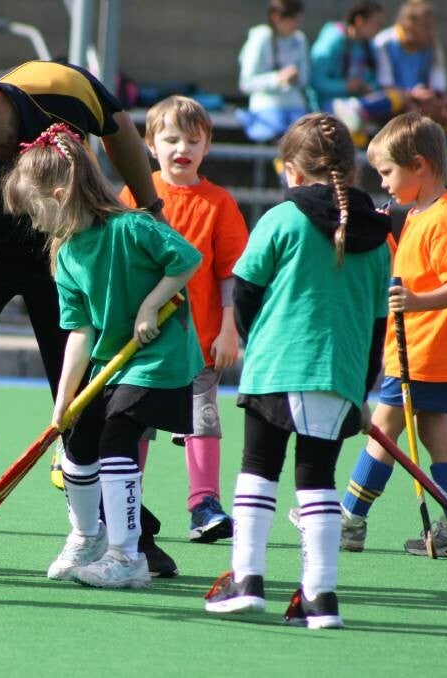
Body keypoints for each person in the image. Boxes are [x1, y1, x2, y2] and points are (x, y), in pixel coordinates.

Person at [0, 51, 181, 576]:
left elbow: (118, 128)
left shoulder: (57, 86)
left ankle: (121, 536)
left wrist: (149, 209)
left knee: (89, 379)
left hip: (68, 241)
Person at [203, 113, 391, 629]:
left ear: (292, 170)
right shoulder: (379, 238)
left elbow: (245, 289)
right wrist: (361, 389)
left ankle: (247, 580)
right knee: (318, 479)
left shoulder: (281, 218)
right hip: (340, 375)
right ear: (352, 170)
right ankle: (320, 597)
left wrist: (254, 338)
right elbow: (377, 326)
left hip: (275, 368)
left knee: (258, 468)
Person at [2, 124, 203, 588]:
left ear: (60, 195)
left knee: (117, 439)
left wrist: (151, 305)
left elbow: (187, 259)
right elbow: (80, 333)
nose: (33, 224)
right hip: (110, 362)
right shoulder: (66, 256)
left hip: (157, 358)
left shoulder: (132, 227)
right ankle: (87, 537)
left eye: (34, 211)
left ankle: (127, 555)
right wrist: (63, 402)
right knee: (77, 442)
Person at [338, 112, 447, 558]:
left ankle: (349, 520)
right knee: (435, 433)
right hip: (422, 349)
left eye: (387, 172)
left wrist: (416, 302)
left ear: (419, 165)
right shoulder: (420, 213)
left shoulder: (444, 218)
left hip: (423, 349)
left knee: (382, 429)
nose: (383, 183)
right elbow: (412, 271)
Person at [119, 95, 248, 544]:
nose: (182, 149)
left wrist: (229, 329)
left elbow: (231, 272)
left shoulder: (219, 203)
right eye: (171, 139)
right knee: (136, 420)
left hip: (200, 342)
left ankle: (204, 505)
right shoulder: (134, 195)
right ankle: (127, 500)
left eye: (193, 140)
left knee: (203, 420)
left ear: (207, 146)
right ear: (150, 144)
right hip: (144, 341)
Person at [372, 0, 447, 196]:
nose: (430, 31)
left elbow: (439, 85)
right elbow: (384, 82)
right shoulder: (384, 42)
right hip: (395, 101)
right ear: (408, 24)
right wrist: (410, 94)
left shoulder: (432, 45)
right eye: (425, 26)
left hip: (423, 101)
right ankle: (409, 179)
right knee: (410, 113)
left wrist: (436, 100)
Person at [309, 2, 405, 143]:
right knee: (351, 130)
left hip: (357, 105)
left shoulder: (368, 46)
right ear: (359, 21)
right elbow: (315, 82)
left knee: (396, 98)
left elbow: (372, 79)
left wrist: (368, 87)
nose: (379, 29)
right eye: (376, 24)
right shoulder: (332, 41)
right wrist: (345, 86)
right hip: (328, 105)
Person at [236, 0, 310, 143]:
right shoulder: (260, 37)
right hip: (266, 104)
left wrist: (296, 77)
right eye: (292, 20)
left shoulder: (299, 39)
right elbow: (246, 83)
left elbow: (305, 78)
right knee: (275, 132)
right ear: (276, 17)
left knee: (304, 136)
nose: (296, 25)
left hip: (295, 104)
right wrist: (277, 78)